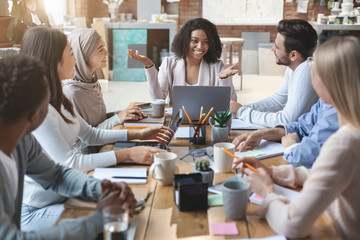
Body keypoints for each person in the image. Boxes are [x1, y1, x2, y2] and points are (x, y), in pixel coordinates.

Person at [19, 27, 171, 230]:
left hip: (62, 196)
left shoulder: (58, 99)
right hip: (35, 209)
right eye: (72, 54)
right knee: (118, 218)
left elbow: (91, 134)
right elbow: (70, 163)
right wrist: (128, 154)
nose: (76, 59)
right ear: (53, 61)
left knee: (127, 208)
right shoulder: (41, 111)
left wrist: (139, 133)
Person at [234, 36, 360, 239]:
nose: (310, 71)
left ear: (329, 81)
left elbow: (293, 226)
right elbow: (327, 174)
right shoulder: (347, 126)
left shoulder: (343, 142)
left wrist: (267, 192)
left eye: (314, 68)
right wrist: (273, 173)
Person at [0, 54, 136, 239]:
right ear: (35, 116)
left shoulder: (22, 140)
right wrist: (99, 219)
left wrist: (103, 188)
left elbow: (56, 175)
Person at [230, 19, 319, 127]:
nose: (272, 49)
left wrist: (241, 112)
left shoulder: (306, 70)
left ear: (293, 55)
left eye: (277, 47)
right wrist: (242, 107)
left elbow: (286, 120)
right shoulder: (294, 65)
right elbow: (278, 101)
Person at [128, 17, 238, 103]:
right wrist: (149, 65)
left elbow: (231, 104)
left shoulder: (217, 66)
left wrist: (225, 79)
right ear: (185, 41)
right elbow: (158, 99)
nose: (200, 46)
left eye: (206, 42)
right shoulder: (169, 63)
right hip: (176, 122)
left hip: (206, 123)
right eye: (195, 41)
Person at [63, 28, 146, 129]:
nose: (106, 53)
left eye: (104, 47)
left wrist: (124, 113)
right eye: (100, 50)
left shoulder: (91, 82)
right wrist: (117, 118)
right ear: (84, 55)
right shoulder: (72, 93)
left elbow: (99, 120)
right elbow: (86, 139)